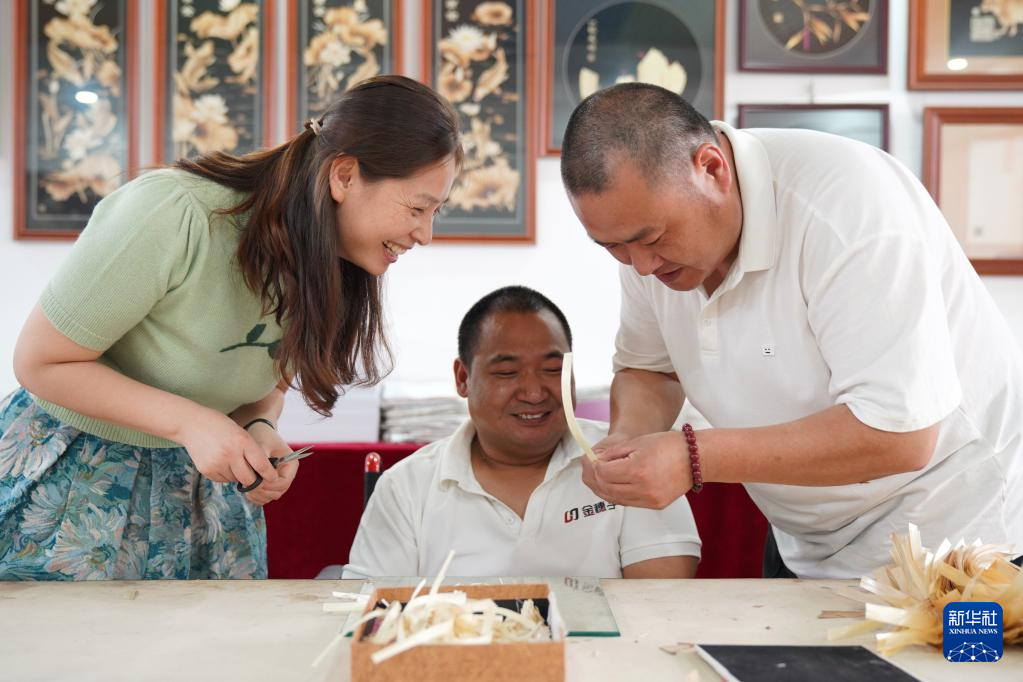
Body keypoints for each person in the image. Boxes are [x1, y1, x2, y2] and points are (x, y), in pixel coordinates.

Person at [0, 76, 461, 580]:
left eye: (435, 213)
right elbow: (41, 362)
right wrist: (190, 423)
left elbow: (264, 383)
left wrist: (259, 425)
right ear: (344, 176)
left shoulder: (327, 260)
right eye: (417, 208)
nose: (425, 234)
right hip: (76, 480)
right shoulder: (176, 212)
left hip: (207, 499)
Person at [559, 83, 1023, 579]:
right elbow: (651, 369)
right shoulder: (644, 245)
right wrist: (627, 439)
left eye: (650, 239)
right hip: (805, 544)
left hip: (958, 540)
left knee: (964, 637)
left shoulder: (849, 208)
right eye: (613, 248)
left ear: (711, 169)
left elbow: (900, 435)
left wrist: (694, 456)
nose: (641, 267)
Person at [343, 286, 700, 579]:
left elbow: (662, 608)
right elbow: (372, 614)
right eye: (507, 373)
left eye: (553, 370)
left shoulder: (631, 464)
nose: (533, 392)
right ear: (463, 378)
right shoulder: (407, 486)